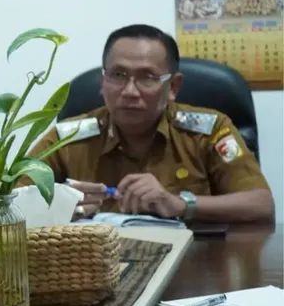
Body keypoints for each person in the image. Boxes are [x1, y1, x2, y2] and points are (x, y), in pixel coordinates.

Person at [26, 24, 274, 222]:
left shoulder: (209, 131)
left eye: (147, 77)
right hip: (93, 263)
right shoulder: (67, 138)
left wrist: (180, 204)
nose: (130, 91)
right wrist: (59, 205)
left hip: (194, 262)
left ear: (173, 86)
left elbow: (261, 205)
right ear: (103, 82)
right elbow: (10, 201)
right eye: (118, 75)